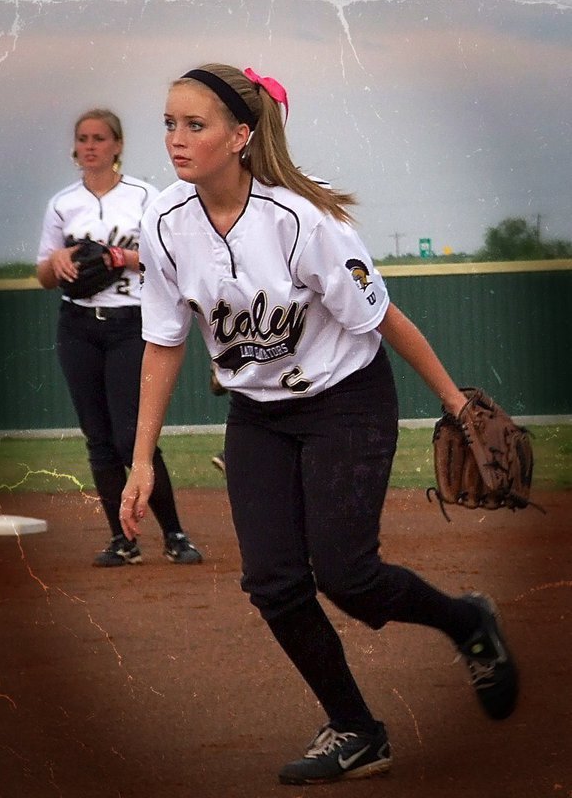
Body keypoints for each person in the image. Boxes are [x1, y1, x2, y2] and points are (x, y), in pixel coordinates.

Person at [119, 65, 518, 784]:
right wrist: (142, 459)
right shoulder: (165, 221)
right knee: (273, 582)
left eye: (195, 125)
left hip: (346, 401)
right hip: (259, 415)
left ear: (242, 136)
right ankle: (359, 730)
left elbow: (385, 318)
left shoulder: (307, 221)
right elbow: (163, 339)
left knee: (347, 574)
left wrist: (457, 405)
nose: (176, 140)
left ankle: (468, 624)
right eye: (169, 124)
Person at [36, 108, 202, 567]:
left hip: (131, 322)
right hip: (79, 325)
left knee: (132, 435)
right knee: (99, 437)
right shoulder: (62, 203)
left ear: (117, 145)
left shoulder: (145, 197)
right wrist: (60, 261)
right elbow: (43, 274)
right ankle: (122, 540)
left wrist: (116, 256)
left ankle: (174, 533)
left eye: (99, 138)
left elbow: (164, 258)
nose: (90, 145)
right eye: (83, 138)